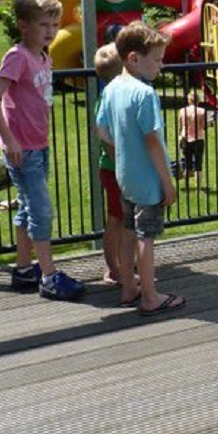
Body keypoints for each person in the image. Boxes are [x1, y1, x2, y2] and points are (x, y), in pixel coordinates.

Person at [0, 0, 85, 301]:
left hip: (38, 145)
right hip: (23, 149)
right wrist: (8, 137)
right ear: (23, 25)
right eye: (44, 25)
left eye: (54, 24)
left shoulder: (43, 56)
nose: (51, 31)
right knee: (41, 211)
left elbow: (21, 103)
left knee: (27, 209)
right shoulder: (18, 57)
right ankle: (49, 277)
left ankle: (25, 269)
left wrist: (5, 134)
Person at [96, 21, 185, 315]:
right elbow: (153, 142)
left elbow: (102, 130)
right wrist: (168, 182)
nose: (161, 66)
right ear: (134, 58)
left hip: (124, 177)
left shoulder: (111, 89)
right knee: (147, 236)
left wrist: (122, 151)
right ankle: (150, 297)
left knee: (128, 232)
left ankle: (128, 287)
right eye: (157, 60)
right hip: (148, 182)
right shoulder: (145, 94)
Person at [93, 42, 133, 287]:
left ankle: (124, 263)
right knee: (117, 218)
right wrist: (123, 164)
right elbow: (106, 137)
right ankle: (113, 269)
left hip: (120, 167)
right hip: (115, 168)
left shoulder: (113, 97)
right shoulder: (107, 100)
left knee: (124, 218)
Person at [177, 90, 210, 185]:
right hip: (198, 138)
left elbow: (180, 126)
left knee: (187, 163)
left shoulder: (182, 111)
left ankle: (187, 185)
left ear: (189, 100)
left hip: (185, 137)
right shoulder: (202, 111)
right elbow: (203, 126)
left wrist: (179, 136)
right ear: (198, 100)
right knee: (198, 165)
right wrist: (210, 123)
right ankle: (198, 188)